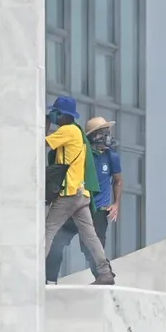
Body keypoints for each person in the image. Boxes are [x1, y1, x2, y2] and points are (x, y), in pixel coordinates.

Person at [45, 96, 114, 285]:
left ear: (62, 114)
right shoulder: (77, 132)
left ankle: (35, 271)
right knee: (90, 236)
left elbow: (40, 144)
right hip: (81, 194)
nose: (53, 115)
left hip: (69, 193)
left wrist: (45, 123)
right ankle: (105, 273)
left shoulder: (66, 130)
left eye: (55, 113)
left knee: (48, 230)